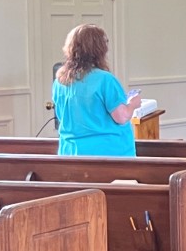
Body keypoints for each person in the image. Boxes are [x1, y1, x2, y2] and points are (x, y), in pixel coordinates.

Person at [51, 24, 141, 157]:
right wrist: (132, 104)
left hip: (70, 152)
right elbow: (121, 117)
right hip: (107, 154)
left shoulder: (60, 81)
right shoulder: (105, 80)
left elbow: (61, 117)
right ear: (99, 49)